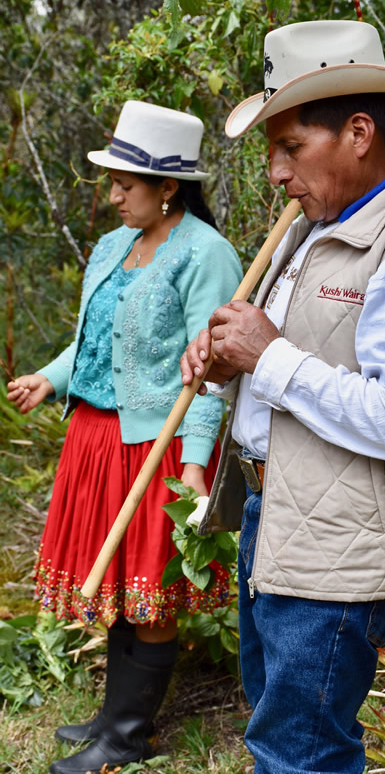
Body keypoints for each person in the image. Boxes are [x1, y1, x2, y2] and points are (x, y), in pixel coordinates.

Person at [180, 20, 385, 774]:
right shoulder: (325, 221)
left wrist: (271, 353)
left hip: (340, 544)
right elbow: (309, 359)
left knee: (302, 752)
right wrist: (234, 364)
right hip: (279, 516)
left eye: (290, 147)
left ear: (358, 131)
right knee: (278, 729)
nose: (275, 173)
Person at [7, 100, 242, 774]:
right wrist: (52, 378)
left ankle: (128, 736)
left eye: (124, 184)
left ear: (169, 186)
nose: (111, 196)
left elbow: (213, 373)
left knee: (148, 588)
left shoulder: (206, 254)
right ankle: (114, 715)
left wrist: (195, 463)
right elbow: (94, 337)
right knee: (115, 582)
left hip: (156, 443)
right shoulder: (113, 246)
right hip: (95, 438)